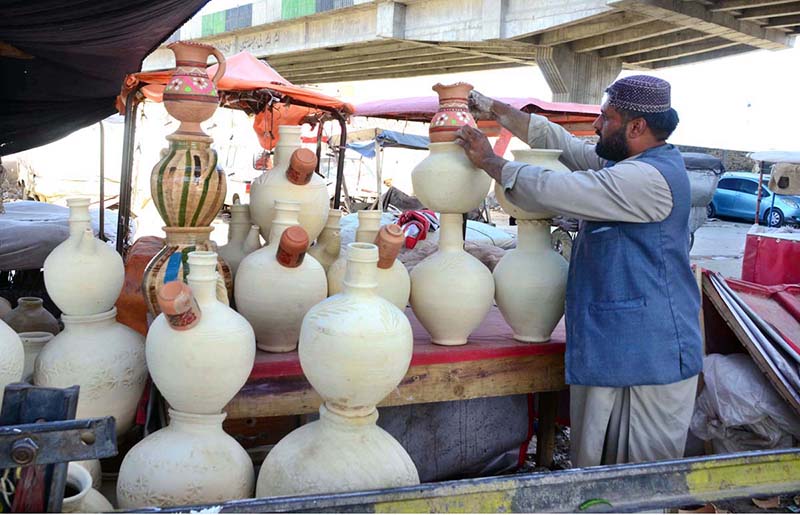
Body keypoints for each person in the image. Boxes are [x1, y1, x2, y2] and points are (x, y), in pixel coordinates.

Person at [454, 75, 702, 468]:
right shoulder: (627, 163)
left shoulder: (647, 179)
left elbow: (559, 189)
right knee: (594, 476)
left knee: (642, 487)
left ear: (637, 127)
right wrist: (498, 112)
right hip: (614, 346)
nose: (596, 125)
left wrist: (490, 161)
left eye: (607, 118)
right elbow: (564, 146)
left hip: (650, 360)